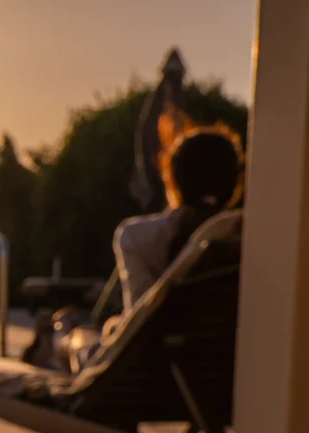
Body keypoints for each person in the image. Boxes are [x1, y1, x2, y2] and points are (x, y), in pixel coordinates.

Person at [29, 119, 244, 373]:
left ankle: (58, 335)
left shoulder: (138, 236)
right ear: (233, 184)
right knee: (106, 326)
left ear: (171, 179)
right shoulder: (245, 239)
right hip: (217, 376)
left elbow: (139, 328)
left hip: (146, 374)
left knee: (79, 335)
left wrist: (113, 327)